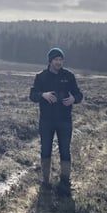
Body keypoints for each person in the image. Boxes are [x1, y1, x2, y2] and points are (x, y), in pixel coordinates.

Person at [29, 47, 83, 195]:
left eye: (61, 60)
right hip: (46, 121)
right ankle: (45, 181)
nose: (59, 62)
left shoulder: (69, 76)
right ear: (50, 61)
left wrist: (73, 99)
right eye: (56, 60)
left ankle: (65, 181)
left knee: (65, 150)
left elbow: (79, 94)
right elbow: (32, 95)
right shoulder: (41, 77)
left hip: (65, 120)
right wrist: (43, 95)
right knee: (45, 150)